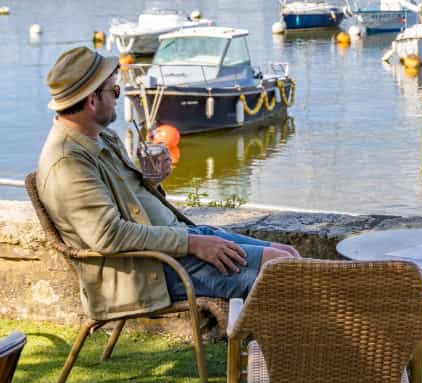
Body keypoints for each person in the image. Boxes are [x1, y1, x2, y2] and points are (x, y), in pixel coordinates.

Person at [37, 46, 299, 322]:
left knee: (287, 255)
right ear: (92, 101)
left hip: (175, 245)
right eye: (114, 91)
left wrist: (151, 181)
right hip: (151, 271)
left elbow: (129, 203)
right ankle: (287, 345)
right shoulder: (68, 162)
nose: (117, 97)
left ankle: (273, 344)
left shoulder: (102, 137)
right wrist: (193, 244)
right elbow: (108, 235)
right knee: (281, 268)